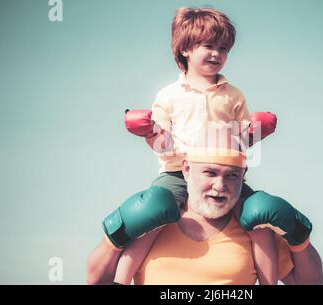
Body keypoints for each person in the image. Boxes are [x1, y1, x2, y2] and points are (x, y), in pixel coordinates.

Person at [108, 6, 281, 284]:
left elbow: (242, 139)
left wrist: (257, 132)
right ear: (186, 49)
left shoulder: (233, 95)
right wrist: (149, 132)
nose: (217, 54)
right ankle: (121, 278)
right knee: (151, 220)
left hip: (223, 173)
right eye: (209, 46)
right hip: (178, 172)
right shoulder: (169, 95)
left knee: (259, 221)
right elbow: (159, 140)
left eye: (224, 49)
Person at [87, 148, 323, 284]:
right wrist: (115, 236)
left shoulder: (256, 229)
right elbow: (96, 281)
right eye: (210, 173)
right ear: (187, 170)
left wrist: (298, 234)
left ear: (244, 175)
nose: (220, 186)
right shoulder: (154, 222)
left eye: (232, 176)